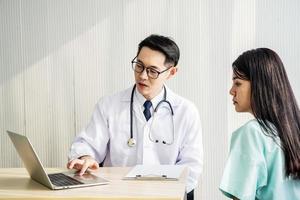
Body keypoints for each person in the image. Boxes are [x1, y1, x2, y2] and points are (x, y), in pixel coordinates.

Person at [67, 34, 203, 199]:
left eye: (152, 71)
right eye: (139, 66)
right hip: (116, 195)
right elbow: (87, 144)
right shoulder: (109, 105)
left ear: (171, 72)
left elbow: (191, 168)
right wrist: (85, 157)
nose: (142, 76)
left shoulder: (186, 112)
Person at [220, 48, 300, 199]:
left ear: (259, 85)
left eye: (238, 83)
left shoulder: (253, 133)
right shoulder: (295, 130)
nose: (232, 91)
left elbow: (241, 197)